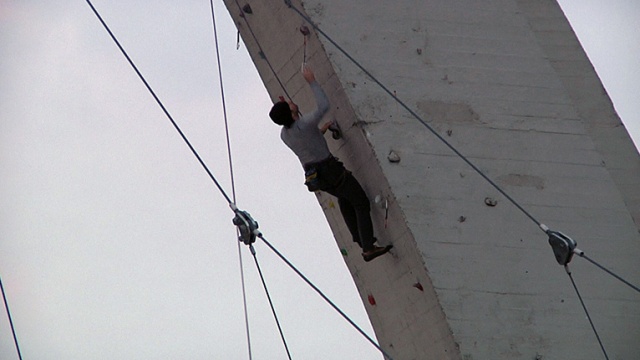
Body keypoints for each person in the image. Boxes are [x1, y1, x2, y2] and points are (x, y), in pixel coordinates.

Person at [269, 66, 392, 262]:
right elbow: (323, 106)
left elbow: (309, 143)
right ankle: (368, 248)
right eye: (290, 105)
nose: (292, 103)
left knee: (344, 198)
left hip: (316, 177)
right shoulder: (305, 124)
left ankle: (360, 240)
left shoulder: (285, 135)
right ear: (291, 113)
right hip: (330, 169)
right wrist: (311, 81)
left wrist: (321, 129)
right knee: (360, 201)